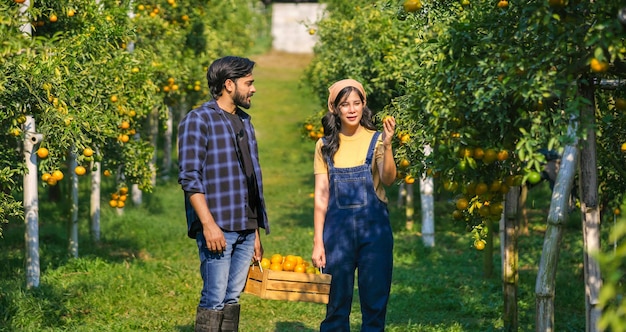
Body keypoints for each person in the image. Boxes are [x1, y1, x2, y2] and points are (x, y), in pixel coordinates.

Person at [178, 56, 269, 332]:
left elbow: (249, 180)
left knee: (232, 298)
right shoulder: (199, 119)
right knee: (214, 299)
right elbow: (189, 178)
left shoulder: (244, 121)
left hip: (245, 226)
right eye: (248, 83)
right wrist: (208, 225)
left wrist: (254, 232)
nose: (253, 89)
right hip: (218, 227)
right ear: (229, 85)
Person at [311, 79, 397, 331]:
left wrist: (389, 144)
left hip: (375, 235)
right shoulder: (324, 146)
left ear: (363, 105)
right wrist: (318, 242)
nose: (351, 109)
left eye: (356, 103)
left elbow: (390, 179)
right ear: (335, 109)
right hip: (337, 236)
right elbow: (321, 197)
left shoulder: (378, 140)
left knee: (375, 305)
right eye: (345, 104)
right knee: (336, 306)